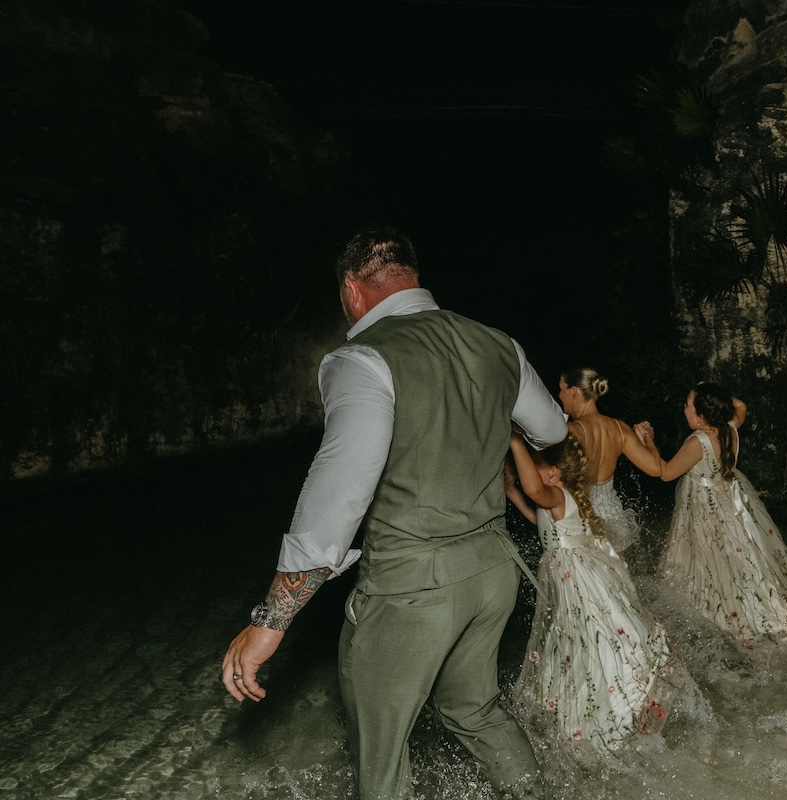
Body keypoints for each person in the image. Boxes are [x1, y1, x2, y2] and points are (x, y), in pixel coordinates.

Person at [220, 226, 567, 800]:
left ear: (352, 292)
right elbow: (551, 429)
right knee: (473, 710)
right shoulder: (497, 343)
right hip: (492, 572)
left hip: (411, 589)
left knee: (381, 760)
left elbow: (340, 494)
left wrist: (272, 619)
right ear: (413, 277)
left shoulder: (359, 358)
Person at [508, 430, 686, 751]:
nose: (528, 474)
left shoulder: (556, 495)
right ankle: (580, 697)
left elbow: (535, 490)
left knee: (594, 639)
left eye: (534, 466)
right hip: (569, 580)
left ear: (552, 472)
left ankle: (613, 706)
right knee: (577, 640)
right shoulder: (560, 497)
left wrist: (516, 441)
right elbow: (540, 521)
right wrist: (511, 491)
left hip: (578, 582)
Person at [635, 383, 787, 649]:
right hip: (728, 501)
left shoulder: (697, 441)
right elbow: (740, 405)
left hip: (704, 507)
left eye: (688, 405)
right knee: (740, 556)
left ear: (701, 417)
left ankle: (727, 614)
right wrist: (711, 391)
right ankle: (766, 610)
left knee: (712, 559)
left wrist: (648, 440)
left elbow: (665, 473)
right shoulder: (730, 428)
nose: (684, 408)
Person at [558, 367, 662, 555]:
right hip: (613, 515)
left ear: (573, 391)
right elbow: (655, 469)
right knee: (618, 577)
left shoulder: (570, 431)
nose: (559, 395)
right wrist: (648, 439)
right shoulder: (619, 427)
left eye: (561, 389)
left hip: (582, 515)